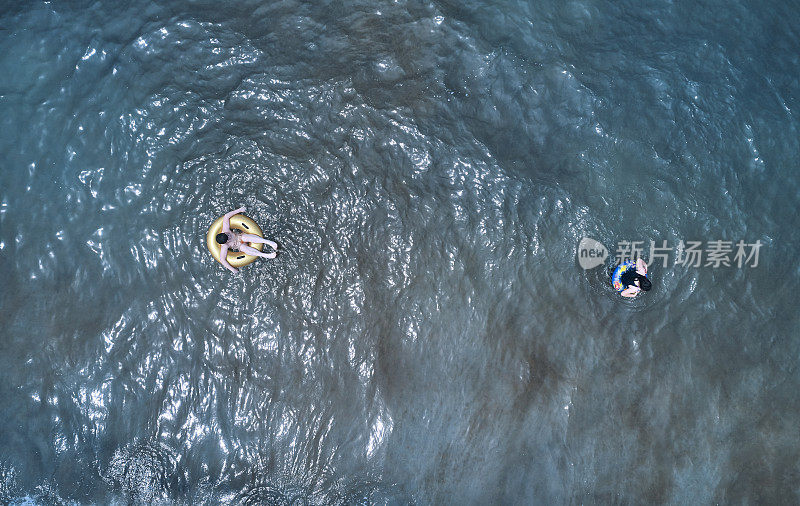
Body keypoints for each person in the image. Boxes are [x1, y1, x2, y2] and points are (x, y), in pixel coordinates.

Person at [215, 206, 278, 274]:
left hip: (240, 236)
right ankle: (266, 255)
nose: (229, 236)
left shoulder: (225, 229)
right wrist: (232, 269)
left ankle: (269, 242)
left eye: (227, 235)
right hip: (239, 245)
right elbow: (222, 259)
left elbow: (226, 216)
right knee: (244, 248)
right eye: (228, 238)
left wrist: (239, 210)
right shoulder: (224, 246)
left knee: (245, 237)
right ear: (226, 242)